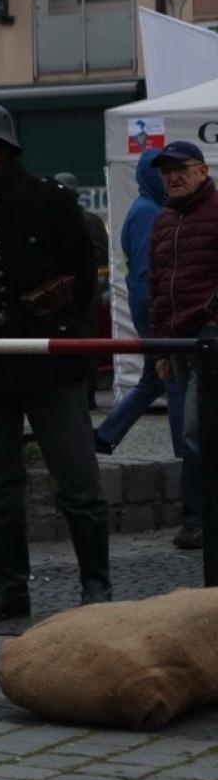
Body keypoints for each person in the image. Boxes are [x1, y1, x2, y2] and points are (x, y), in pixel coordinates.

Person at [0, 103, 110, 624]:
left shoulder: (52, 201)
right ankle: (11, 590)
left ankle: (96, 584)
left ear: (7, 148)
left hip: (48, 357)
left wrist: (70, 343)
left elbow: (80, 276)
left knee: (77, 478)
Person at [95, 150, 198, 550]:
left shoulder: (146, 208)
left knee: (153, 382)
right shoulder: (150, 214)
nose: (171, 179)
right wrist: (154, 332)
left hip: (154, 319)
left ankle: (106, 435)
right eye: (165, 172)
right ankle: (181, 454)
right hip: (157, 320)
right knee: (171, 385)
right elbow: (145, 276)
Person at [148, 141, 218, 550]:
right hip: (178, 339)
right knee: (199, 430)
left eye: (180, 169)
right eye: (166, 171)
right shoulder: (163, 220)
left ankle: (197, 519)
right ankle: (197, 519)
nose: (172, 177)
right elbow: (157, 285)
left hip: (209, 337)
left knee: (194, 430)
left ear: (202, 170)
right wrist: (158, 347)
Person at [55, 172, 111, 407]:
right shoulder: (53, 220)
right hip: (61, 294)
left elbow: (102, 254)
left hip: (80, 292)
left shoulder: (88, 221)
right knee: (74, 344)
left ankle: (86, 394)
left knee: (85, 344)